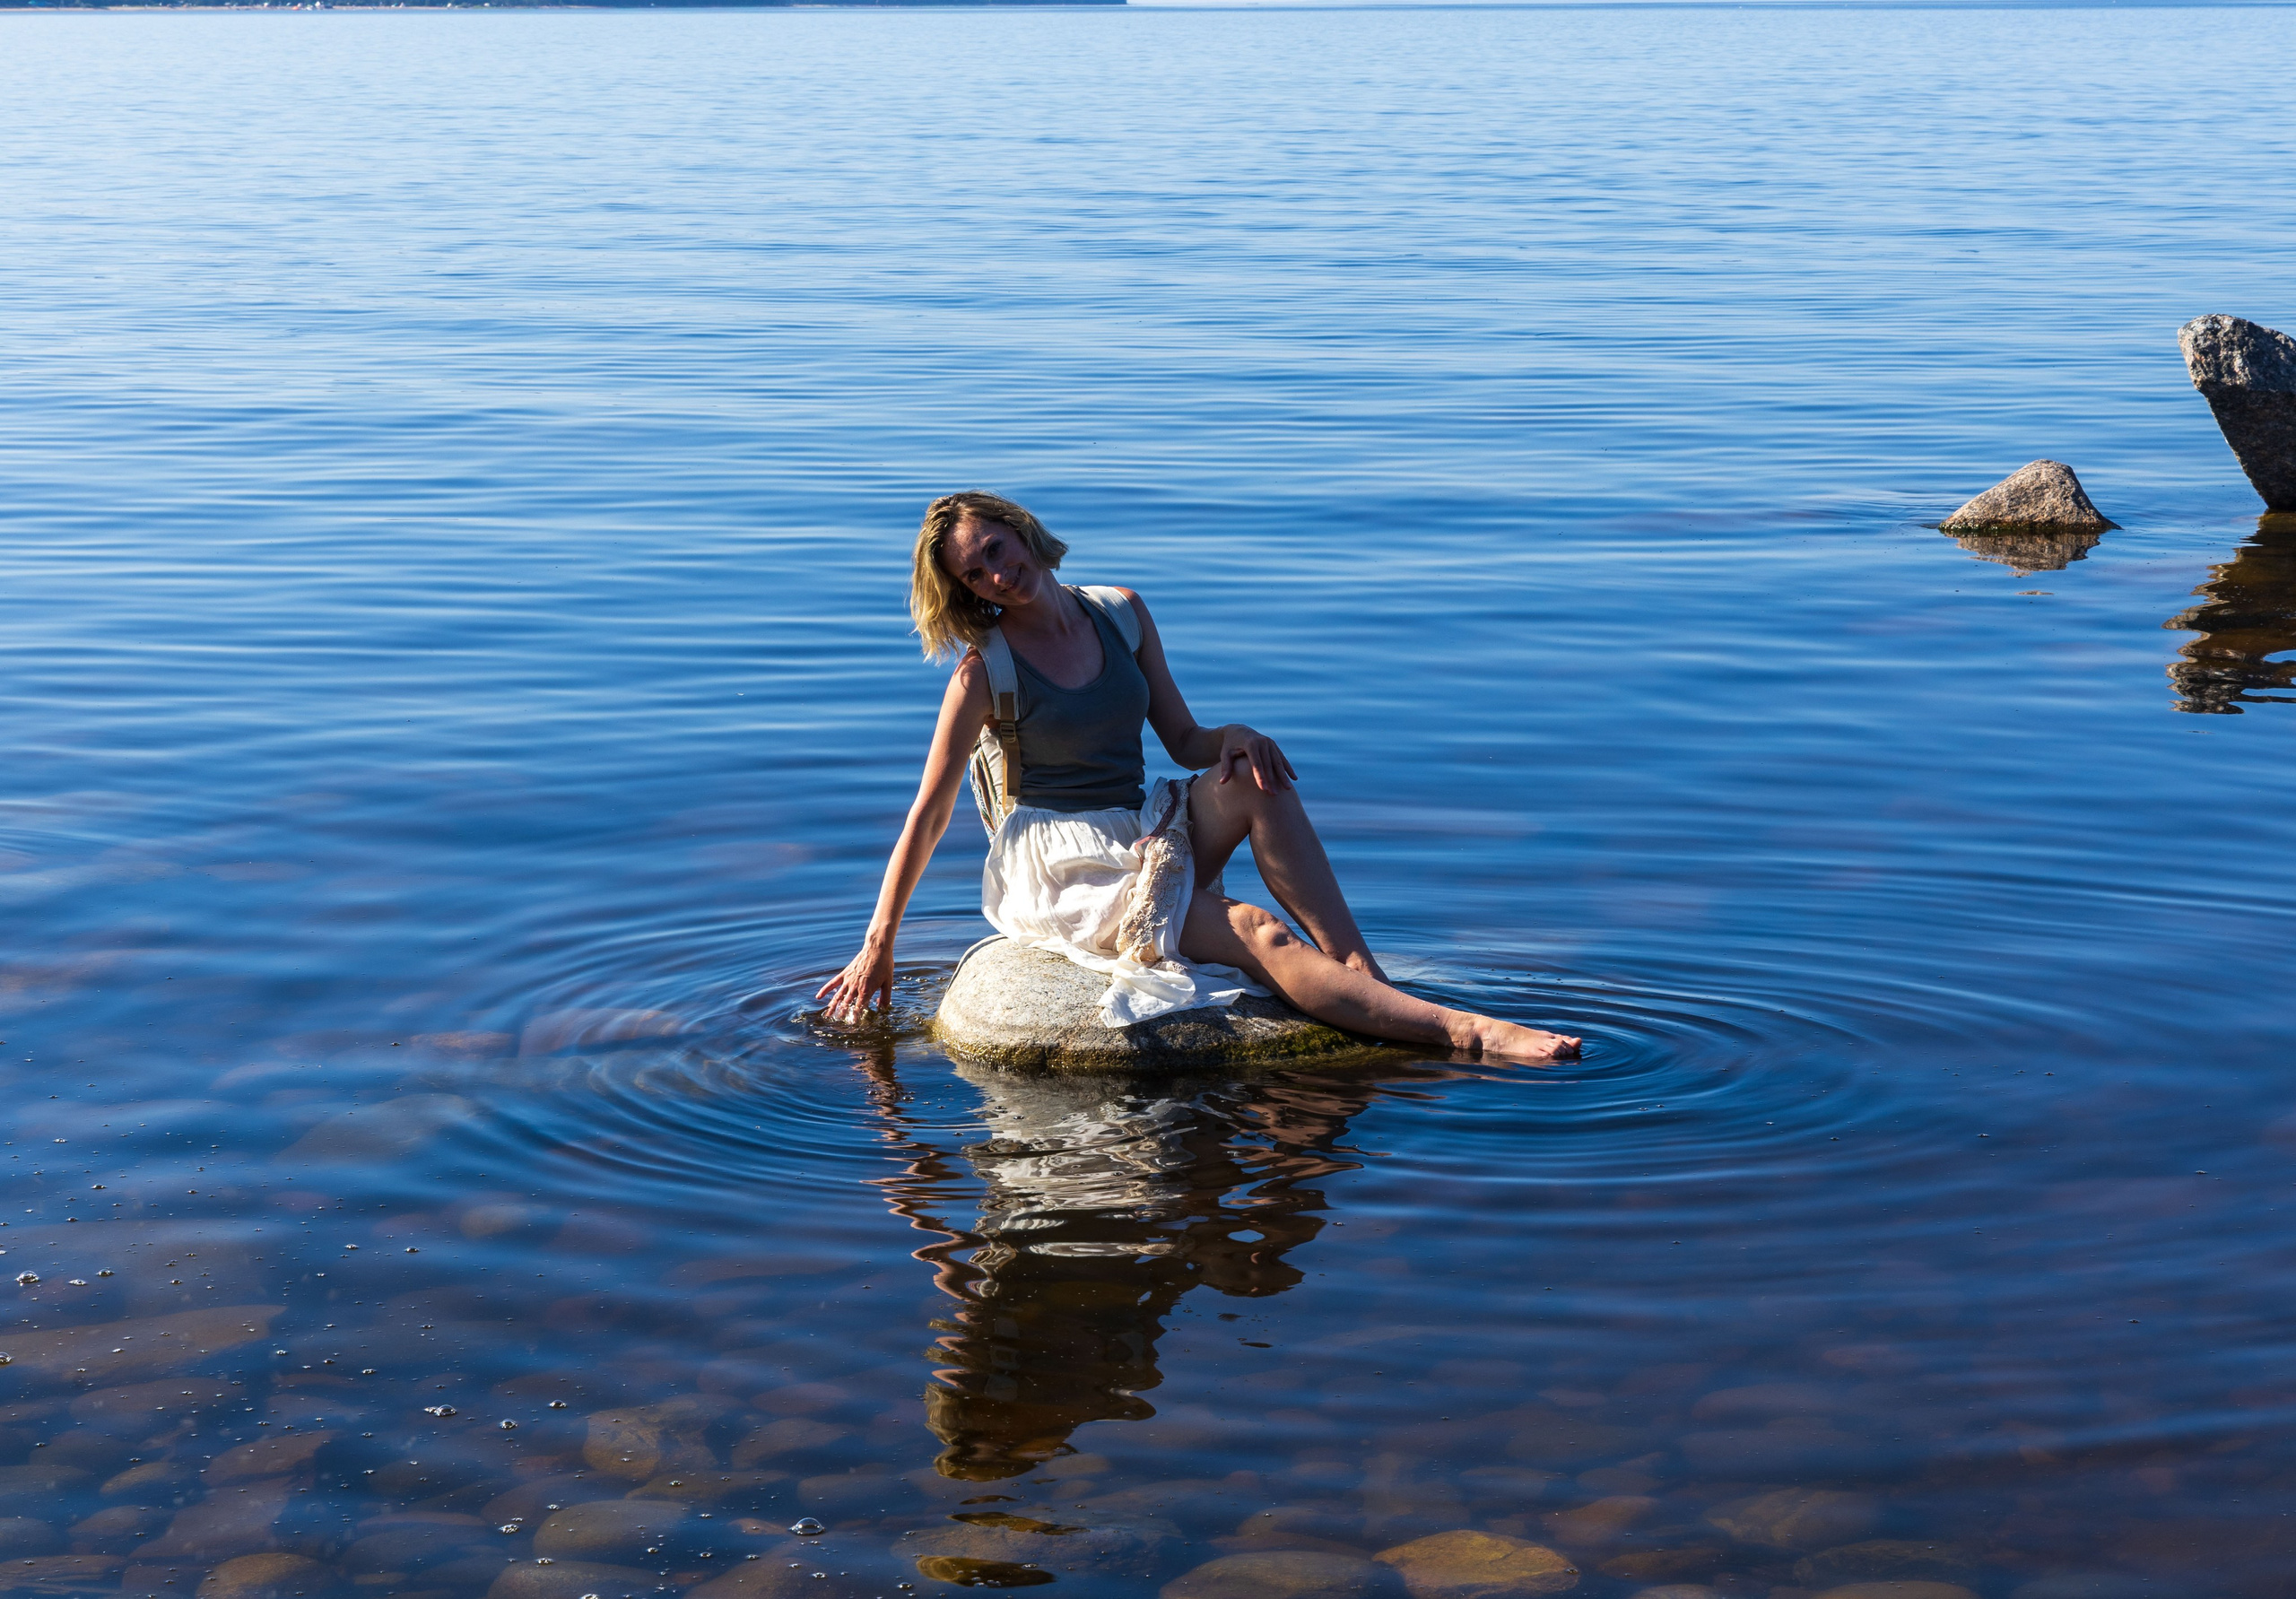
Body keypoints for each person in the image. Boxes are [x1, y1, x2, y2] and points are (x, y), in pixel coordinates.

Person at [817, 491, 1579, 1062]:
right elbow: (929, 811)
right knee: (1256, 929)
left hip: (1139, 822)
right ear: (968, 591)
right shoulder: (985, 674)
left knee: (1255, 774)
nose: (995, 571)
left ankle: (1359, 973)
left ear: (1019, 527)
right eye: (974, 571)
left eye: (994, 545)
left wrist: (1237, 735)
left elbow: (1184, 739)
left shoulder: (1121, 612)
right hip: (1062, 865)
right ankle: (1466, 1031)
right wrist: (878, 941)